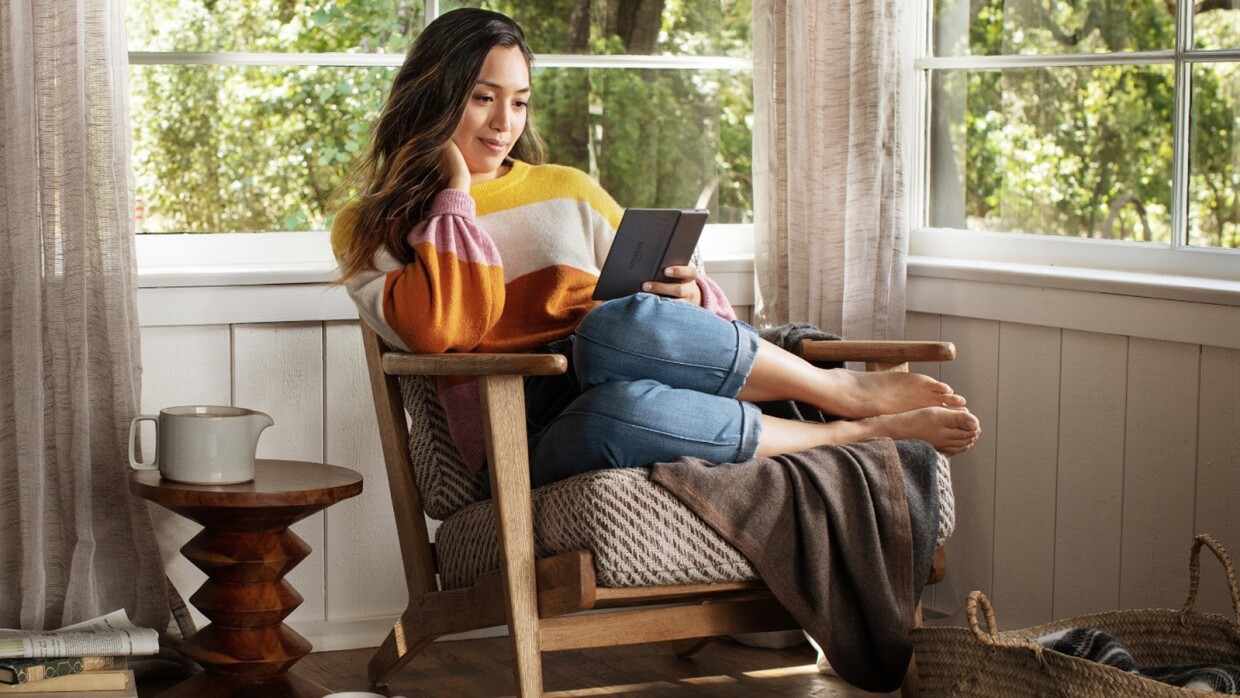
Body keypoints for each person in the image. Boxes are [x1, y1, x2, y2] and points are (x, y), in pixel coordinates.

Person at [332, 8, 980, 488]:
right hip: (521, 431)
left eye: (520, 102)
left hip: (621, 360)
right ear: (437, 94)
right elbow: (437, 331)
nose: (506, 123)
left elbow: (695, 315)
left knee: (611, 331)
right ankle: (851, 434)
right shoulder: (372, 227)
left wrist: (687, 290)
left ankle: (846, 398)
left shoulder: (567, 189)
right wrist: (451, 197)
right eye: (483, 99)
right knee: (611, 412)